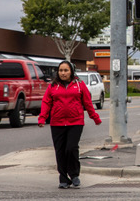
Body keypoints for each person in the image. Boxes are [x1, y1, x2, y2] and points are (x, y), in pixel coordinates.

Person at [38, 60, 102, 189]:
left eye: (66, 70)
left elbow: (87, 102)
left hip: (75, 122)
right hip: (57, 123)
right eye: (61, 70)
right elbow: (46, 102)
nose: (63, 73)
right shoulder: (53, 86)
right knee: (60, 150)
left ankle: (74, 175)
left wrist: (95, 117)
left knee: (71, 148)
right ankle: (63, 178)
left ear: (71, 71)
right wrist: (42, 118)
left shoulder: (79, 85)